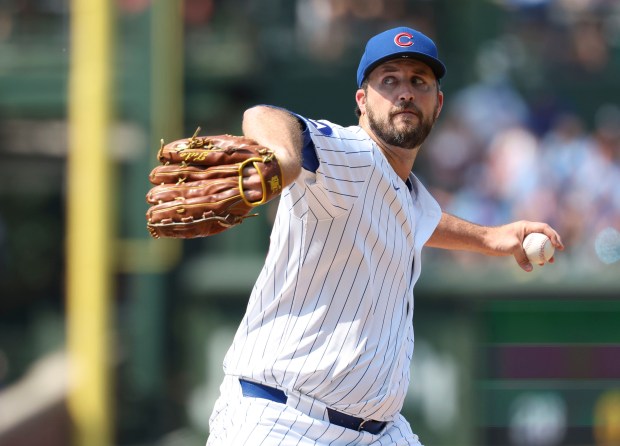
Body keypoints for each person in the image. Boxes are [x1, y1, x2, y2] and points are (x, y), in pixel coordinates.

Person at [205, 26, 564, 446]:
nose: (405, 93)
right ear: (362, 101)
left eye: (419, 82)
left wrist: (488, 238)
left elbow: (421, 220)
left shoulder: (405, 189)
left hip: (377, 432)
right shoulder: (348, 154)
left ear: (438, 102)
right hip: (283, 420)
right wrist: (284, 158)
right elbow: (263, 116)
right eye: (388, 80)